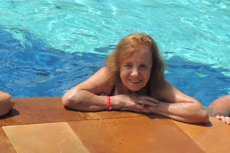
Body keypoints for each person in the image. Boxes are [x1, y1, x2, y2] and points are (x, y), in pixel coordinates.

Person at [62, 33, 208, 124]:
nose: (135, 74)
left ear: (152, 67)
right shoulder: (108, 76)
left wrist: (153, 106)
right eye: (128, 66)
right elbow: (71, 98)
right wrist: (118, 101)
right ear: (118, 65)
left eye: (143, 66)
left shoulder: (155, 84)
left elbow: (200, 112)